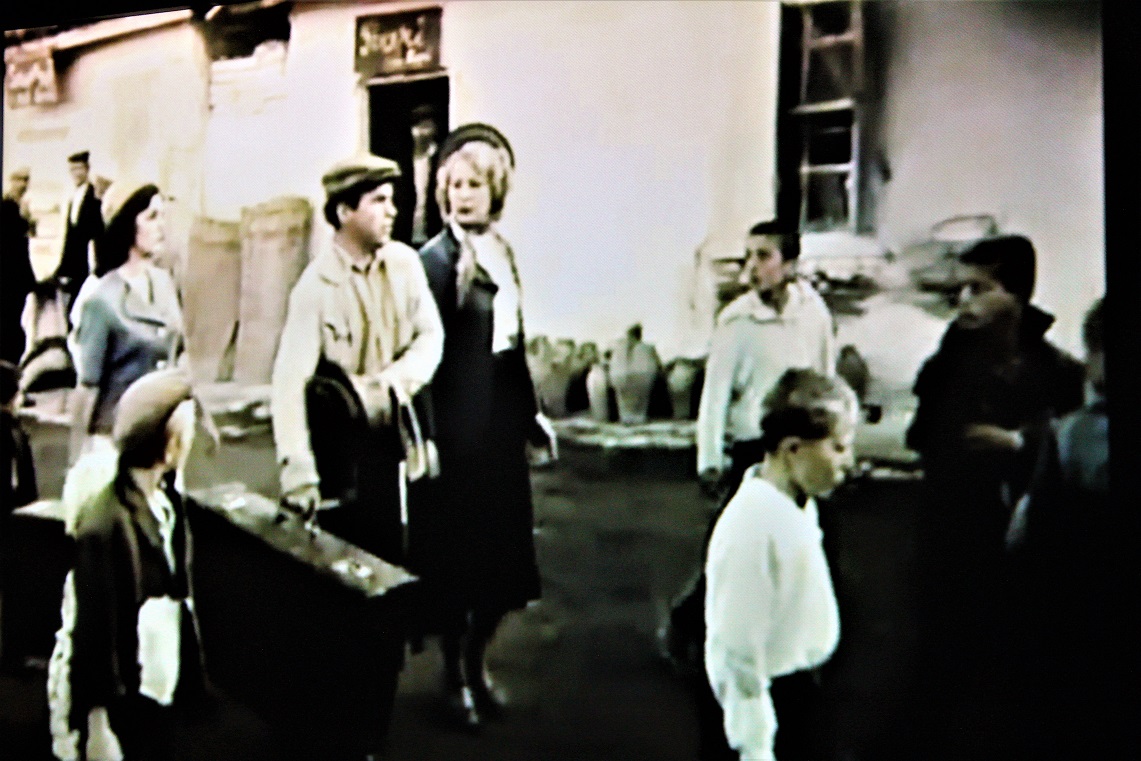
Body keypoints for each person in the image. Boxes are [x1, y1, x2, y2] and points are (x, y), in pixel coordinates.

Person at [904, 234, 1085, 759]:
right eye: (959, 289)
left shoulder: (1057, 371)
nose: (964, 301)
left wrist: (1021, 441)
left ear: (1017, 295)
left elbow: (1077, 447)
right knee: (941, 683)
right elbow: (920, 436)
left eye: (979, 289)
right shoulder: (946, 365)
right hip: (951, 545)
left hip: (1025, 556)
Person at [415, 123, 557, 731]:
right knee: (459, 563)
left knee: (503, 565)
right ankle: (454, 677)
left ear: (495, 190)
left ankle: (477, 663)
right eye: (454, 186)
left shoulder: (503, 252)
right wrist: (424, 437)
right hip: (456, 429)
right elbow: (421, 360)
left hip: (499, 421)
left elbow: (511, 343)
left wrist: (531, 416)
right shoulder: (434, 262)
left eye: (474, 185)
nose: (463, 196)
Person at [271, 153, 443, 565]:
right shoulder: (315, 288)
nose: (392, 211)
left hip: (399, 429)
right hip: (343, 450)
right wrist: (298, 472)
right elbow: (289, 384)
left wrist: (393, 382)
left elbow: (431, 335)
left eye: (391, 200)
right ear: (344, 212)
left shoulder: (405, 265)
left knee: (402, 552)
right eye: (379, 201)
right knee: (347, 558)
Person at [48, 368, 209, 761]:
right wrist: (98, 725)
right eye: (186, 432)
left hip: (162, 685)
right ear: (168, 443)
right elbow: (95, 633)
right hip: (129, 700)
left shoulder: (168, 505)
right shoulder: (106, 526)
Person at [704, 368, 857, 761]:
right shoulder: (751, 523)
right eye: (838, 448)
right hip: (774, 710)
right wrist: (755, 743)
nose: (849, 461)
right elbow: (736, 645)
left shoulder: (798, 506)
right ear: (793, 449)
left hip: (807, 696)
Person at [696, 220, 836, 504]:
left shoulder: (813, 312)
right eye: (747, 256)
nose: (751, 267)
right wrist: (710, 462)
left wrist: (833, 444)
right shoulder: (737, 320)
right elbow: (715, 394)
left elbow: (825, 381)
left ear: (789, 265)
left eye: (763, 256)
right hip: (754, 447)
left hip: (801, 446)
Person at [69, 184, 185, 466]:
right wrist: (78, 461)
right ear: (127, 224)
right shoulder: (102, 301)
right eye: (151, 217)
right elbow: (88, 387)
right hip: (115, 442)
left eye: (163, 216)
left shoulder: (164, 283)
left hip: (161, 439)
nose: (161, 226)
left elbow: (179, 353)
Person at [53, 151, 104, 316]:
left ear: (87, 169)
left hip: (88, 265)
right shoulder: (73, 197)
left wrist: (96, 266)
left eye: (79, 168)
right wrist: (62, 267)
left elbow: (98, 235)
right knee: (70, 310)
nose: (75, 173)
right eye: (72, 169)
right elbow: (70, 237)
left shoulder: (94, 198)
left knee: (82, 309)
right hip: (73, 266)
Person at [2, 167, 38, 364]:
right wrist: (25, 219)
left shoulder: (18, 205)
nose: (23, 185)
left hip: (16, 277)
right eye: (19, 180)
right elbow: (14, 237)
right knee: (11, 323)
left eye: (26, 180)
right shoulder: (7, 205)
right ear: (12, 182)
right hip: (10, 277)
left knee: (15, 320)